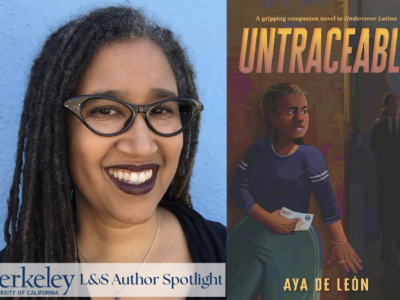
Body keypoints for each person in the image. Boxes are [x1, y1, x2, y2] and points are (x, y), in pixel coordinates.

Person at [0, 5, 225, 298]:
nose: (142, 145)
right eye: (106, 110)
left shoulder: (236, 255)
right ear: (58, 130)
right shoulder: (18, 280)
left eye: (160, 110)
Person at [227, 83, 362, 300]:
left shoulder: (311, 156)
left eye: (304, 110)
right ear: (272, 117)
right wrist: (267, 218)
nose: (300, 118)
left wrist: (340, 241)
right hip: (251, 233)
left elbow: (326, 204)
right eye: (291, 111)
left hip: (296, 240)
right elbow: (237, 188)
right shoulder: (259, 148)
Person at [370, 92, 400, 261]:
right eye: (392, 106)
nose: (395, 109)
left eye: (397, 106)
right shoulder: (380, 126)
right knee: (386, 209)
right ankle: (386, 246)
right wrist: (376, 121)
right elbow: (373, 145)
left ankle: (398, 243)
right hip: (385, 176)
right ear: (386, 107)